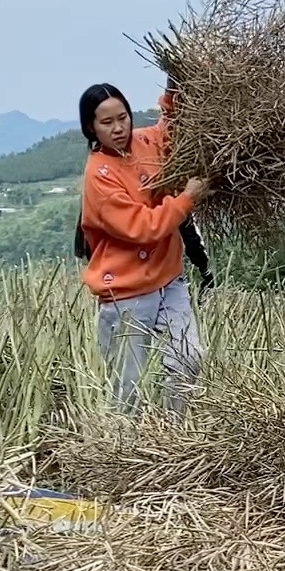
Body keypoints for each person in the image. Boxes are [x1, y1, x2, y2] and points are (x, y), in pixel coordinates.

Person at [76, 82, 211, 416]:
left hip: (169, 281)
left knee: (189, 358)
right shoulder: (99, 176)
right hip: (126, 294)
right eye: (107, 123)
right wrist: (186, 199)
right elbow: (143, 228)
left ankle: (173, 433)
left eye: (122, 117)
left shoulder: (144, 142)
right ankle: (121, 453)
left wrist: (176, 88)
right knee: (127, 386)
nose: (119, 128)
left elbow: (170, 130)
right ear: (91, 127)